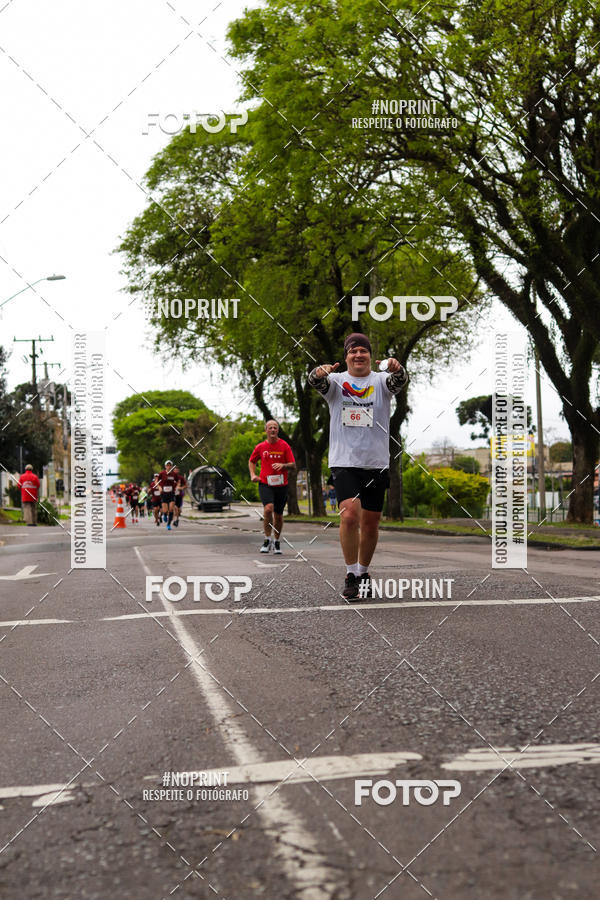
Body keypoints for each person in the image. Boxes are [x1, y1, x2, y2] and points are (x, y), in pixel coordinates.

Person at [309, 333, 408, 600]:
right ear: (346, 357)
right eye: (353, 351)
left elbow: (400, 381)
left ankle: (364, 572)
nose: (358, 355)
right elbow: (314, 380)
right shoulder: (336, 383)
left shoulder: (380, 382)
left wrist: (398, 368)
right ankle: (351, 574)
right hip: (345, 462)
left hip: (375, 462)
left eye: (363, 351)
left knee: (371, 523)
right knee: (350, 515)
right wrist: (320, 370)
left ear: (369, 356)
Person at [249, 420, 295, 554]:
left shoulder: (284, 446)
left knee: (279, 515)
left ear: (278, 430)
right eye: (270, 428)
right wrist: (253, 474)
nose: (273, 430)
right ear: (266, 431)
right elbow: (252, 461)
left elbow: (293, 464)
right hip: (265, 483)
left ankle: (276, 541)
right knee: (268, 509)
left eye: (275, 427)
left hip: (281, 485)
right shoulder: (261, 447)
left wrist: (284, 465)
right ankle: (267, 539)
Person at [157, 460, 178, 531]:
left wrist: (177, 487)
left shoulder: (174, 474)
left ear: (171, 466)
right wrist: (159, 487)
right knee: (165, 510)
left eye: (170, 465)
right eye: (167, 465)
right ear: (165, 466)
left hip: (171, 493)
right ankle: (165, 515)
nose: (168, 466)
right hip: (164, 494)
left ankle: (168, 524)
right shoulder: (162, 473)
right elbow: (157, 481)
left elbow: (178, 481)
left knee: (171, 509)